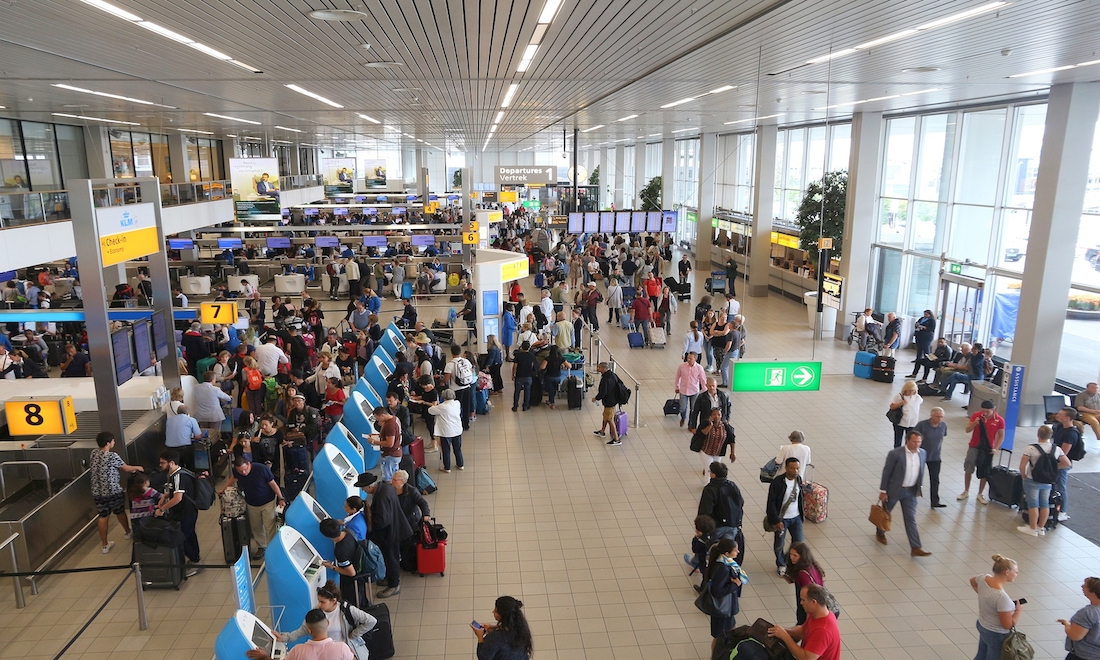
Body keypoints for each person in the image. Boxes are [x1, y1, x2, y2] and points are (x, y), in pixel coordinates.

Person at [276, 581, 376, 660]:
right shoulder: (316, 613)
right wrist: (285, 638)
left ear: (334, 601)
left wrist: (354, 634)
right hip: (326, 651)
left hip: (341, 650)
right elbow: (302, 630)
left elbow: (371, 621)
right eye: (318, 601)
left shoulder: (347, 610)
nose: (319, 605)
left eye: (322, 602)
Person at [875, 430, 932, 556]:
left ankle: (915, 547)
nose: (917, 444)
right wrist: (883, 491)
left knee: (910, 518)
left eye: (919, 442)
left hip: (911, 492)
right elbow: (887, 472)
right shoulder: (895, 454)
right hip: (894, 490)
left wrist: (918, 488)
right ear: (907, 440)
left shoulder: (922, 453)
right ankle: (880, 532)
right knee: (885, 513)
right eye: (914, 441)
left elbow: (921, 472)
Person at [357, 473, 412, 599]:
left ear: (369, 486)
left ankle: (394, 585)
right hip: (396, 527)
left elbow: (383, 521)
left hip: (390, 534)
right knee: (390, 558)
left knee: (391, 559)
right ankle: (389, 578)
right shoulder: (385, 487)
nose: (363, 490)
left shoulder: (381, 496)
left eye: (363, 487)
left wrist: (370, 522)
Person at [221, 454, 284, 558]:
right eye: (240, 471)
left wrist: (281, 498)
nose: (243, 473)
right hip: (251, 503)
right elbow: (234, 478)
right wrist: (224, 488)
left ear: (249, 464)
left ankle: (273, 548)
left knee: (270, 526)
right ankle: (261, 547)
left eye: (245, 469)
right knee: (256, 527)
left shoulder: (261, 469)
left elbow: (273, 484)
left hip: (267, 501)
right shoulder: (237, 471)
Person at [90, 431, 143, 553]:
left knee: (103, 516)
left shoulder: (93, 453)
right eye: (113, 441)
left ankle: (104, 545)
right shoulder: (112, 456)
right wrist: (137, 467)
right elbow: (125, 468)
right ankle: (127, 532)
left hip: (97, 491)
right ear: (108, 443)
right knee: (119, 511)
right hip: (112, 490)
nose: (114, 443)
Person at [154, 450, 201, 575]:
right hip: (189, 511)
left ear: (171, 463)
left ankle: (195, 562)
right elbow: (176, 492)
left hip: (184, 512)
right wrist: (165, 496)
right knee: (190, 535)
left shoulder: (177, 476)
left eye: (162, 463)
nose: (160, 465)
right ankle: (195, 558)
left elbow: (178, 498)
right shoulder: (180, 473)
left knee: (181, 538)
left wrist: (161, 509)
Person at [1018, 425, 1071, 535]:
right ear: (1051, 436)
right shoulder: (1056, 449)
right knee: (1045, 504)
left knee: (1033, 504)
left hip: (1032, 479)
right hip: (1048, 481)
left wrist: (1023, 476)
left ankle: (1032, 528)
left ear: (1038, 435)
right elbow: (1067, 463)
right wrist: (1052, 469)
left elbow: (1022, 466)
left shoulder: (1031, 448)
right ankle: (1041, 528)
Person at [768, 584, 842, 660]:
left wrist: (785, 636)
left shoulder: (822, 631)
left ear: (813, 602)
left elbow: (806, 658)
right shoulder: (817, 614)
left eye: (803, 600)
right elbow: (802, 631)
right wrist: (781, 631)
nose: (801, 603)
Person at [970, 555, 1023, 660]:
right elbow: (1007, 625)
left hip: (982, 625)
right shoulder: (1001, 597)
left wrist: (984, 597)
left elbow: (972, 582)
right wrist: (1018, 611)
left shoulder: (983, 578)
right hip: (996, 634)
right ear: (1007, 572)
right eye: (1016, 572)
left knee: (981, 655)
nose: (1016, 574)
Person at [249, 608, 352, 660]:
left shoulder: (297, 651)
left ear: (309, 630)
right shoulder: (342, 648)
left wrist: (264, 656)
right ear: (328, 623)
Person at [959, 400, 1005, 505]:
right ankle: (966, 491)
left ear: (993, 410)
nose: (984, 413)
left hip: (988, 449)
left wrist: (995, 448)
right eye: (983, 411)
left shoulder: (999, 420)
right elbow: (967, 429)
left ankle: (980, 493)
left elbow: (1001, 435)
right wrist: (975, 423)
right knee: (968, 468)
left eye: (987, 412)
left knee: (984, 471)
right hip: (974, 446)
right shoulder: (976, 415)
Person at [705, 537, 744, 653]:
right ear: (727, 553)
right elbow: (717, 591)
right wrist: (734, 585)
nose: (738, 552)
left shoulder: (724, 563)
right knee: (719, 637)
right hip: (722, 610)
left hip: (726, 608)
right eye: (735, 550)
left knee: (731, 631)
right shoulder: (723, 568)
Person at [767, 457, 805, 575]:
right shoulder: (778, 482)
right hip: (782, 519)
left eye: (797, 468)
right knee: (779, 543)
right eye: (792, 468)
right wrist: (776, 520)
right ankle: (781, 564)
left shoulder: (798, 479)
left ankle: (792, 562)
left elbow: (799, 498)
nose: (795, 471)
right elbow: (771, 502)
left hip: (796, 517)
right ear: (786, 468)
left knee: (799, 542)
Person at [471, 595, 534, 660]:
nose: (493, 612)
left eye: (496, 611)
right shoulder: (521, 627)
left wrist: (480, 637)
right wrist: (495, 627)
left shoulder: (495, 637)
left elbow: (484, 657)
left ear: (503, 615)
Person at [783, 542, 826, 625]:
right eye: (791, 554)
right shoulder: (812, 565)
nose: (791, 557)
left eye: (795, 555)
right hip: (819, 601)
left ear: (802, 556)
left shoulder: (802, 574)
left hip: (807, 606)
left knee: (801, 625)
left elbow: (809, 594)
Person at [1057, 576, 1100, 660]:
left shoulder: (1088, 613)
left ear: (1093, 593)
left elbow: (1075, 636)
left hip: (1085, 655)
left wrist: (1067, 624)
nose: (1082, 586)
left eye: (1085, 585)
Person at [913, 407, 948, 508]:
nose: (940, 419)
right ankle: (910, 497)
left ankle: (935, 501)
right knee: (916, 477)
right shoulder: (922, 425)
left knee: (935, 479)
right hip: (921, 455)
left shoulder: (943, 426)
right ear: (932, 416)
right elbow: (913, 438)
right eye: (937, 416)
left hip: (935, 457)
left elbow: (942, 437)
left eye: (942, 417)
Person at [1054, 406, 1082, 521]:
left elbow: (1063, 453)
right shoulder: (1060, 427)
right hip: (1056, 460)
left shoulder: (1071, 434)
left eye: (1061, 414)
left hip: (1062, 464)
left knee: (1061, 486)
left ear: (1067, 418)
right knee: (1055, 485)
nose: (1058, 415)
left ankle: (1063, 511)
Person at [698, 461, 744, 532]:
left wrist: (701, 527)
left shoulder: (710, 489)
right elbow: (741, 502)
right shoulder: (732, 485)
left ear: (714, 475)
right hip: (734, 523)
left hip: (717, 526)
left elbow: (705, 510)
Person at [693, 408, 735, 480]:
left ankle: (714, 486)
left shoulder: (725, 426)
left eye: (719, 414)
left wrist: (732, 453)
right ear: (710, 416)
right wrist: (710, 425)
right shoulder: (705, 424)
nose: (717, 416)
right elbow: (701, 434)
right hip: (705, 451)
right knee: (709, 470)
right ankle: (707, 487)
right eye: (714, 414)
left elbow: (732, 439)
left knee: (716, 470)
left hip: (718, 452)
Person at [429, 389, 464, 472]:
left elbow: (430, 410)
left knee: (446, 450)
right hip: (457, 430)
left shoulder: (442, 406)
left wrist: (434, 405)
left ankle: (447, 467)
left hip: (446, 432)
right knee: (457, 448)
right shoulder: (457, 403)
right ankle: (460, 464)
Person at [193, 370, 232, 443]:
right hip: (214, 416)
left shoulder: (196, 388)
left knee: (204, 435)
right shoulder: (215, 389)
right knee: (215, 434)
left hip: (201, 415)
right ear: (212, 379)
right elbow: (226, 397)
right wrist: (229, 397)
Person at [592, 362, 624, 446]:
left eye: (599, 367)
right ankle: (602, 431)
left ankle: (616, 439)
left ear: (603, 368)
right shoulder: (613, 375)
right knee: (606, 416)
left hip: (609, 401)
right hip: (613, 400)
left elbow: (603, 392)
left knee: (610, 420)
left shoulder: (605, 379)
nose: (597, 369)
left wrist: (596, 398)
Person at [367, 406, 402, 482]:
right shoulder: (395, 418)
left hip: (390, 455)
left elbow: (389, 443)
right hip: (396, 453)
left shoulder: (390, 425)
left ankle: (389, 492)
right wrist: (377, 436)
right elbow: (391, 435)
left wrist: (373, 442)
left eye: (377, 418)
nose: (377, 420)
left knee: (388, 478)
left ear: (382, 415)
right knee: (395, 477)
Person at [165, 404, 203, 471]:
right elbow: (198, 436)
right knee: (190, 466)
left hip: (170, 449)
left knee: (176, 468)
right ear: (188, 413)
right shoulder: (191, 420)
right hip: (184, 448)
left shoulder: (169, 420)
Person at [675, 351, 707, 428]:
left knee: (693, 409)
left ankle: (691, 424)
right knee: (682, 408)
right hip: (683, 390)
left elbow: (703, 380)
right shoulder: (682, 366)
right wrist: (677, 387)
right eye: (688, 358)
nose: (688, 359)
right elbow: (678, 377)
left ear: (695, 359)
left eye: (691, 358)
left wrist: (705, 391)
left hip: (694, 391)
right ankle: (683, 417)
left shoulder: (699, 368)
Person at [888, 379, 923, 448]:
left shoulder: (917, 398)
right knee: (898, 439)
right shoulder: (899, 396)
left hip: (912, 423)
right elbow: (892, 406)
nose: (911, 392)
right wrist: (901, 403)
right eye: (909, 390)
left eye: (913, 390)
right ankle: (897, 453)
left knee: (910, 440)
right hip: (900, 422)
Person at [511, 341, 536, 412]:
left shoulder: (518, 355)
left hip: (519, 376)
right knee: (527, 391)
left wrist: (513, 375)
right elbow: (532, 365)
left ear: (521, 347)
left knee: (517, 391)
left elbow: (515, 366)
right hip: (528, 376)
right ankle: (525, 406)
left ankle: (515, 406)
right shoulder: (531, 355)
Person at [540, 345, 567, 410]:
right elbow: (569, 366)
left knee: (550, 390)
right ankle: (550, 400)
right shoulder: (561, 358)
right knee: (554, 389)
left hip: (549, 376)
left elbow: (542, 367)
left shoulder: (548, 358)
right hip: (557, 377)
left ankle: (552, 403)